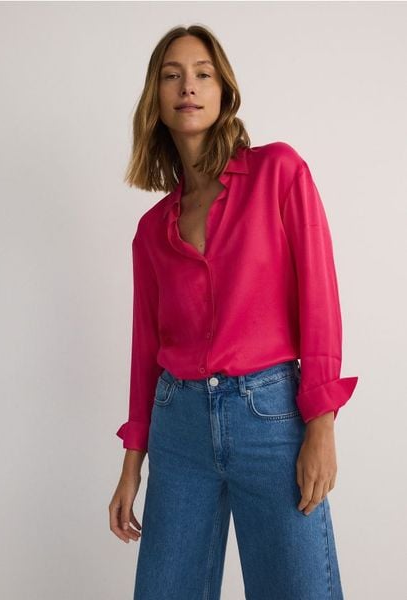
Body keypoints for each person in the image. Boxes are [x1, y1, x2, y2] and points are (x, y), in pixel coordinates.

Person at [108, 24, 358, 600]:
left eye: (203, 74)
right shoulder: (152, 230)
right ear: (155, 98)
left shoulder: (278, 172)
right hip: (178, 430)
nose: (188, 87)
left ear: (224, 91)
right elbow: (145, 351)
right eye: (172, 76)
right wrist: (131, 464)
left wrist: (321, 424)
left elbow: (320, 299)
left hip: (271, 421)